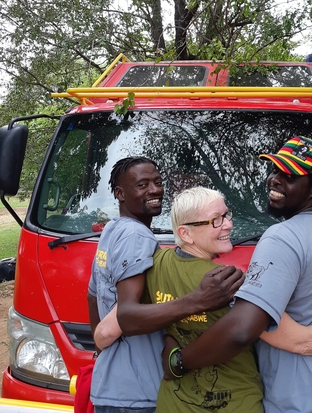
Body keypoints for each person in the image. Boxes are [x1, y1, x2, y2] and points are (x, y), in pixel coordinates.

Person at [95, 185, 312, 412]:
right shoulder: (229, 283)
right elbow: (296, 339)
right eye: (216, 221)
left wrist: (170, 340)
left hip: (175, 402)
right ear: (185, 233)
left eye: (227, 215)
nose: (229, 224)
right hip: (235, 401)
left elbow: (113, 324)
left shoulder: (154, 265)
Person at [162, 137, 312, 413]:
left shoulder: (283, 238)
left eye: (289, 175)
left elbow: (241, 329)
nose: (274, 180)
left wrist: (179, 362)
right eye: (274, 171)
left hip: (301, 400)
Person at [87, 157, 244, 413]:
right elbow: (126, 315)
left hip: (111, 384)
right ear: (120, 194)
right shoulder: (137, 236)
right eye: (142, 184)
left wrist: (102, 348)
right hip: (138, 392)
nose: (155, 190)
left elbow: (93, 296)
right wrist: (198, 300)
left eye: (158, 182)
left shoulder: (111, 230)